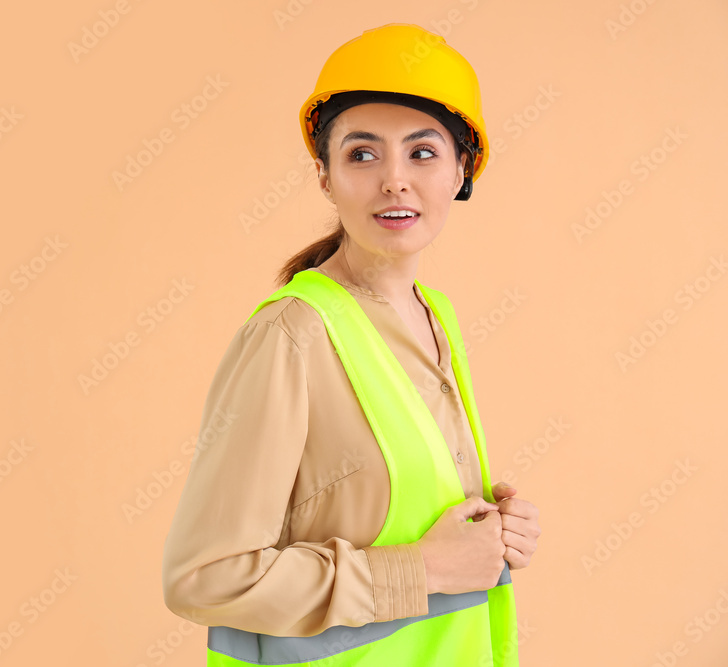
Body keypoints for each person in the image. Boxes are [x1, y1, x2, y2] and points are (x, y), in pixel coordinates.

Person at [162, 23, 540, 666]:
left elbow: (400, 515)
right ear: (325, 177)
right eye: (362, 154)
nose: (394, 180)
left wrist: (495, 539)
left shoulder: (435, 316)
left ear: (461, 171)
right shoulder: (291, 335)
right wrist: (421, 569)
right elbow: (204, 577)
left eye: (422, 152)